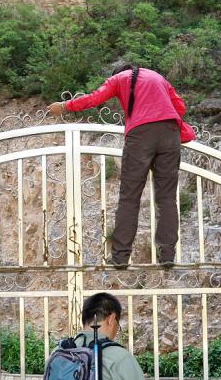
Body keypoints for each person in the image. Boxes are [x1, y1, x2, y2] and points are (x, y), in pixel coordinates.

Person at [48, 65, 195, 268]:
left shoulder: (119, 79)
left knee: (130, 197)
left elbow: (93, 98)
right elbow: (180, 107)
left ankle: (120, 257)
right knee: (167, 197)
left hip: (141, 136)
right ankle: (168, 255)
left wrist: (64, 106)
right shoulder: (158, 77)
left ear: (117, 73)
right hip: (170, 133)